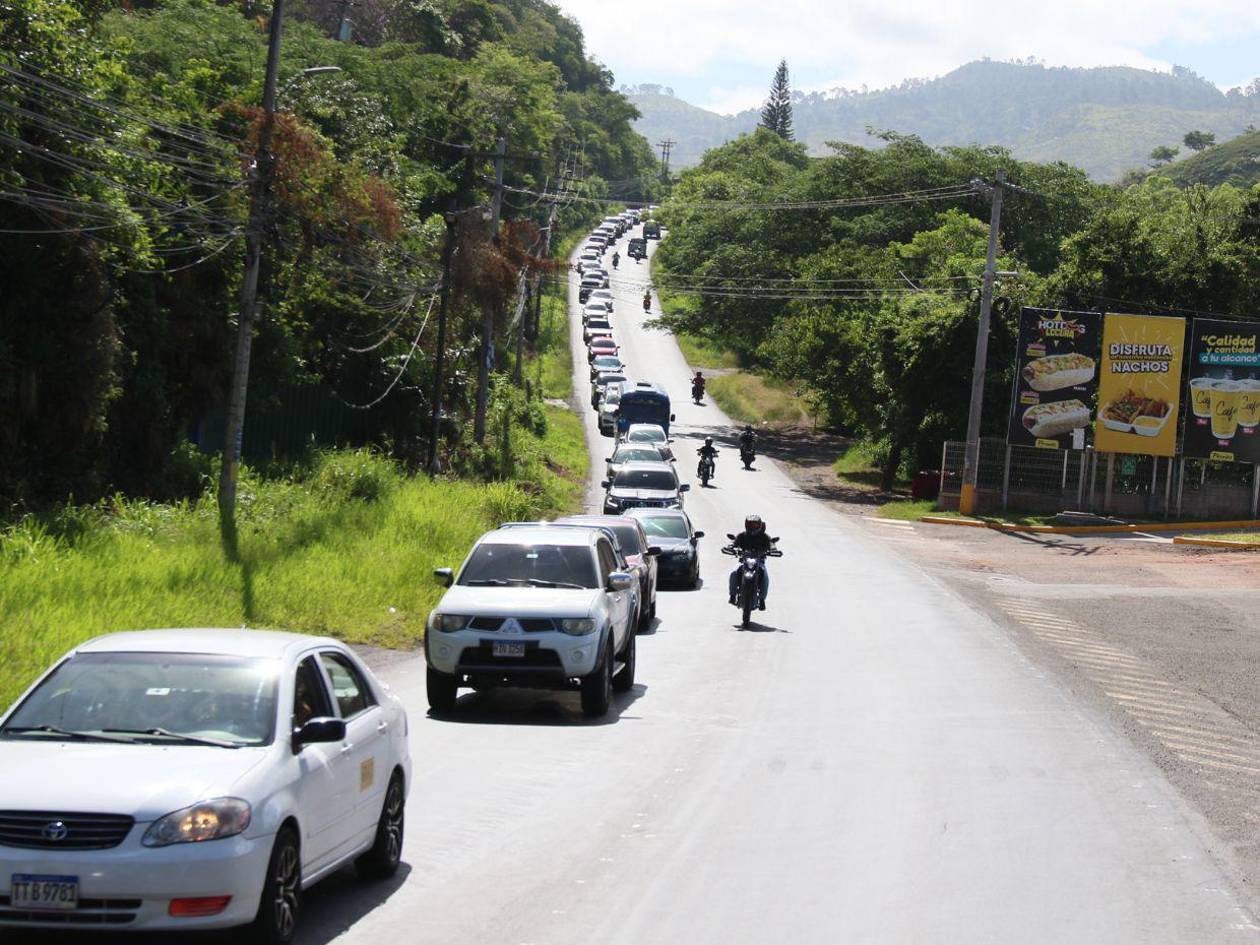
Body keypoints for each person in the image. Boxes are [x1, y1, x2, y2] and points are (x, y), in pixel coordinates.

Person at [728, 514, 773, 609]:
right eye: (750, 525)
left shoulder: (764, 537)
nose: (753, 527)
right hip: (743, 561)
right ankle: (732, 596)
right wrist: (731, 547)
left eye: (755, 525)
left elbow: (771, 544)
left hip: (759, 562)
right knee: (734, 573)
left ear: (760, 525)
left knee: (765, 577)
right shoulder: (742, 535)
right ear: (746, 525)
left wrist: (773, 549)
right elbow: (734, 542)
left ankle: (761, 600)